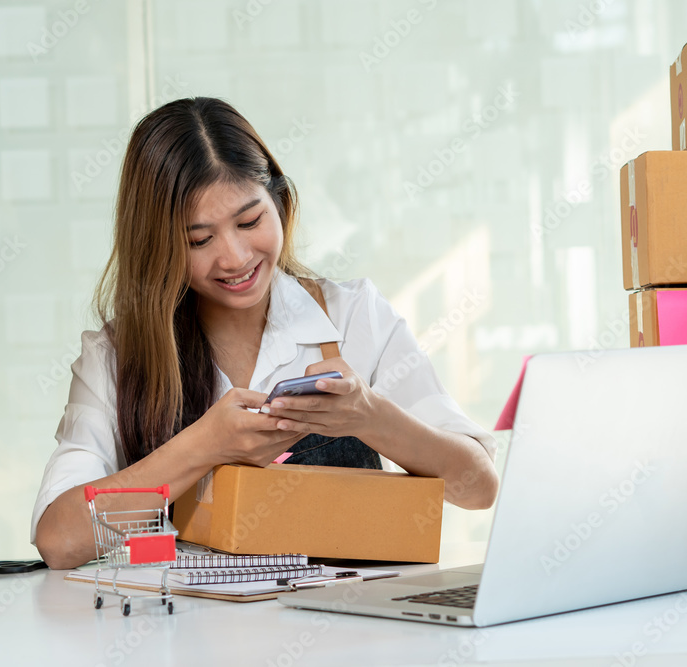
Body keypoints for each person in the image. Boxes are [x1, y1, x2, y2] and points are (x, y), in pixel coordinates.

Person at [32, 97, 498, 569]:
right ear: (159, 246)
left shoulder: (353, 316)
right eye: (199, 240)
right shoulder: (116, 357)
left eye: (250, 221)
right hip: (182, 639)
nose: (234, 257)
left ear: (281, 204)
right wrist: (204, 445)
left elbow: (478, 486)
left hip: (350, 633)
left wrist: (368, 417)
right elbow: (59, 540)